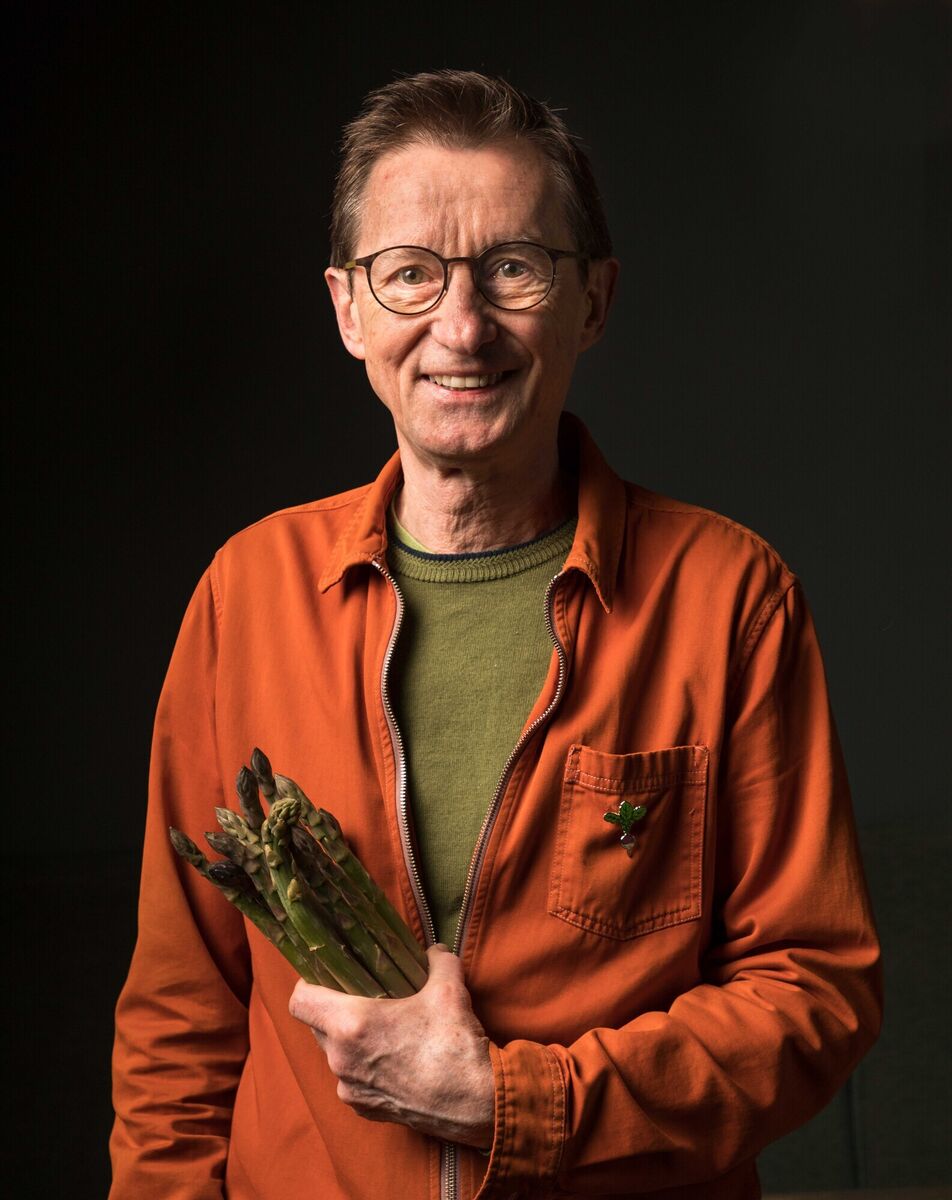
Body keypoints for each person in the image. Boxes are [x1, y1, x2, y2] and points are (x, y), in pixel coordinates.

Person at [109, 69, 882, 1200]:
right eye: (409, 274)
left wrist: (514, 1101)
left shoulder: (730, 599)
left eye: (514, 268)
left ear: (594, 301)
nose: (461, 327)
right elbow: (179, 1023)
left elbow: (815, 993)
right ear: (348, 310)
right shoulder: (247, 594)